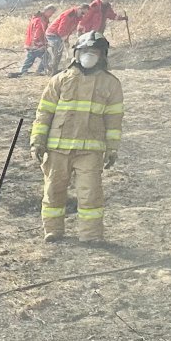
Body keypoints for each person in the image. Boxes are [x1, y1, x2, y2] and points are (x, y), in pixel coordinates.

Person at [31, 31, 123, 244]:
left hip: (90, 151)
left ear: (102, 55)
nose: (89, 55)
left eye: (95, 52)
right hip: (57, 149)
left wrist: (112, 148)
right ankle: (53, 231)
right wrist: (37, 141)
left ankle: (91, 235)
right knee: (53, 191)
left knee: (90, 193)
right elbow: (44, 113)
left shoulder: (111, 84)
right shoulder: (60, 80)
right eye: (85, 51)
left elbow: (114, 119)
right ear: (77, 53)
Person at [46, 3, 88, 71]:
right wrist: (63, 37)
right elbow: (62, 27)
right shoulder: (69, 14)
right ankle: (51, 68)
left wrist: (66, 40)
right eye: (82, 13)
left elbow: (68, 30)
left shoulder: (77, 18)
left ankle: (54, 68)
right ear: (79, 9)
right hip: (53, 33)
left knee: (59, 52)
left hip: (60, 35)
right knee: (57, 51)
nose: (82, 15)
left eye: (84, 14)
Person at [18, 5, 57, 75]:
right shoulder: (40, 20)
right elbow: (38, 33)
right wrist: (41, 44)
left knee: (31, 57)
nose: (52, 15)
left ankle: (23, 71)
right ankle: (39, 71)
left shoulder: (38, 18)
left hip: (30, 43)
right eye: (52, 12)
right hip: (35, 44)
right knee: (46, 56)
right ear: (47, 11)